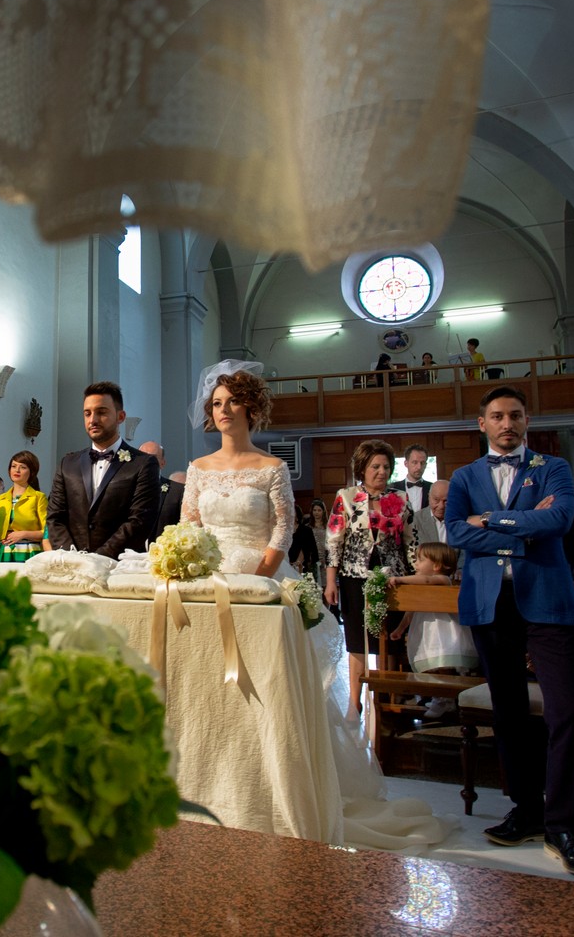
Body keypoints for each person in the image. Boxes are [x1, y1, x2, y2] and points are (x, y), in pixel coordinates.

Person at [180, 360, 451, 852]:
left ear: (250, 407)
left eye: (232, 401)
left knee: (267, 687)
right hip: (209, 586)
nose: (223, 410)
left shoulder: (272, 467)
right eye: (216, 403)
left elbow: (283, 530)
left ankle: (274, 785)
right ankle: (216, 781)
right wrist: (197, 571)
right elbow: (190, 527)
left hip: (261, 584)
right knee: (212, 686)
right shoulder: (198, 469)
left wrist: (256, 581)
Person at [444, 386, 574, 878]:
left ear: (527, 420)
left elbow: (559, 520)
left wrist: (491, 519)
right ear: (482, 424)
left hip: (547, 599)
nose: (506, 423)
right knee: (508, 712)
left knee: (566, 710)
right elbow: (455, 531)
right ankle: (527, 810)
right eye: (497, 416)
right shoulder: (466, 476)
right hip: (491, 602)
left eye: (514, 415)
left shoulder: (553, 468)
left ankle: (563, 826)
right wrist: (524, 526)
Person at [323, 439, 417, 716]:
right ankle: (355, 703)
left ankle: (388, 701)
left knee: (390, 639)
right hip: (354, 576)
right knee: (357, 640)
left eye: (386, 466)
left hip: (393, 579)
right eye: (375, 466)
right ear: (362, 468)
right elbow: (333, 541)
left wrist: (417, 577)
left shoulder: (401, 498)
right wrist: (330, 582)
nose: (381, 471)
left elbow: (411, 542)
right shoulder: (347, 496)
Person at [47, 381, 159, 557]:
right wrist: (72, 558)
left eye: (101, 412)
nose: (93, 420)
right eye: (87, 413)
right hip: (72, 566)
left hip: (119, 565)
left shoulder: (143, 464)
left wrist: (98, 559)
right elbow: (55, 517)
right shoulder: (67, 464)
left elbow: (140, 520)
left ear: (120, 417)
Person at [388, 543, 475, 714]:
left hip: (443, 634)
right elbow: (411, 610)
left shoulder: (443, 580)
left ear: (437, 566)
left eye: (420, 560)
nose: (416, 564)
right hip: (427, 634)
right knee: (431, 667)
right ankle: (438, 697)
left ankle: (446, 700)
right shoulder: (420, 585)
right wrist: (400, 628)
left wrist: (400, 579)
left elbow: (428, 580)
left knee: (443, 667)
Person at [0, 451, 52, 562]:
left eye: (23, 467)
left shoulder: (38, 497)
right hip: (1, 552)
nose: (17, 470)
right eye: (13, 466)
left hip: (28, 552)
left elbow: (47, 531)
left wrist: (24, 534)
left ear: (32, 472)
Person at [139, 440, 184, 546]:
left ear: (163, 463)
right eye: (143, 456)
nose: (147, 461)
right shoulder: (125, 488)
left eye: (153, 457)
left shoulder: (177, 491)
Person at [389, 443, 432, 512]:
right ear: (406, 464)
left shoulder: (432, 488)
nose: (419, 467)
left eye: (422, 463)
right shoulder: (393, 488)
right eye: (415, 462)